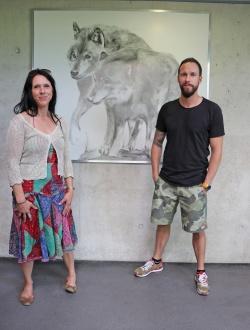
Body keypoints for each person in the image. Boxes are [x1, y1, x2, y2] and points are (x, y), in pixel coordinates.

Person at [134, 58, 225, 296]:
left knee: (198, 230)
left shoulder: (212, 110)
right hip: (167, 181)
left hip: (196, 183)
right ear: (178, 78)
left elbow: (217, 151)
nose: (187, 79)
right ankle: (156, 261)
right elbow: (156, 143)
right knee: (162, 224)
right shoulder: (167, 109)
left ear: (200, 79)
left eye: (192, 74)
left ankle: (200, 272)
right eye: (183, 74)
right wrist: (156, 174)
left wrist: (207, 183)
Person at [6, 69, 78, 306]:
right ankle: (28, 283)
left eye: (46, 86)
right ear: (30, 91)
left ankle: (71, 273)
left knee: (64, 231)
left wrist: (70, 189)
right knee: (29, 237)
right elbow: (12, 162)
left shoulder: (60, 122)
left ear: (52, 90)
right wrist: (19, 198)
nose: (42, 91)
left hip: (57, 189)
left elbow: (66, 159)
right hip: (29, 192)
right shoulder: (20, 122)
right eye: (36, 86)